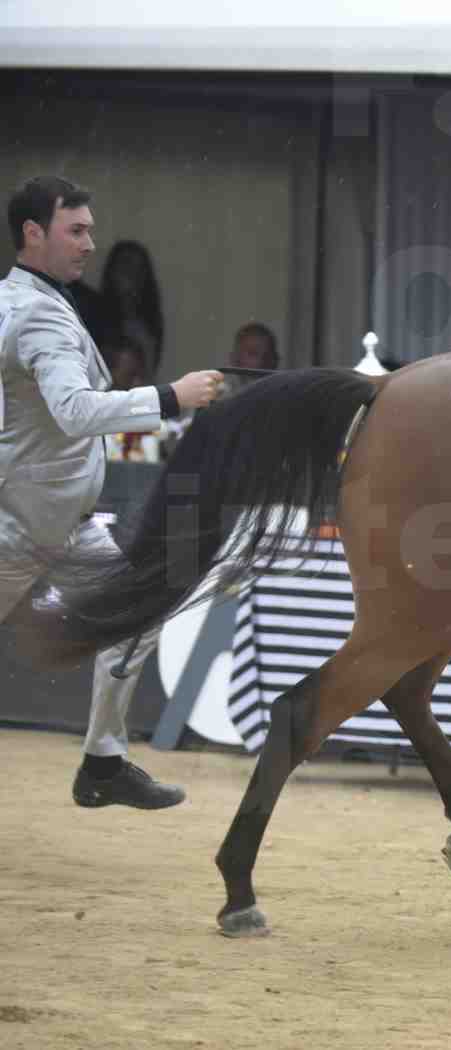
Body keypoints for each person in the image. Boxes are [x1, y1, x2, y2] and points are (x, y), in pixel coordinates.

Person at [1, 176, 224, 809]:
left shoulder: (29, 299)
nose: (90, 243)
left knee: (141, 608)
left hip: (58, 523)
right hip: (18, 523)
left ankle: (103, 760)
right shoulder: (40, 312)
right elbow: (74, 410)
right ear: (33, 233)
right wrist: (168, 398)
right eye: (77, 229)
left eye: (90, 229)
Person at [89, 240, 165, 378]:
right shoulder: (94, 319)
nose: (130, 275)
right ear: (112, 271)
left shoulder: (149, 323)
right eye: (125, 266)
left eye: (138, 268)